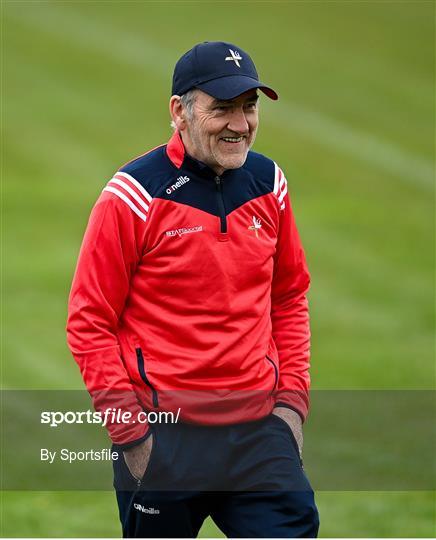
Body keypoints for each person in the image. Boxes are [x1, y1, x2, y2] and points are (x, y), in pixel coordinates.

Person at [67, 41, 319, 538]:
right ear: (179, 112)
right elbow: (89, 322)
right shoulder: (133, 196)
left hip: (257, 433)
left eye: (249, 107)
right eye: (222, 108)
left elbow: (288, 298)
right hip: (164, 437)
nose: (241, 123)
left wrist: (290, 407)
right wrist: (133, 437)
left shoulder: (269, 184)